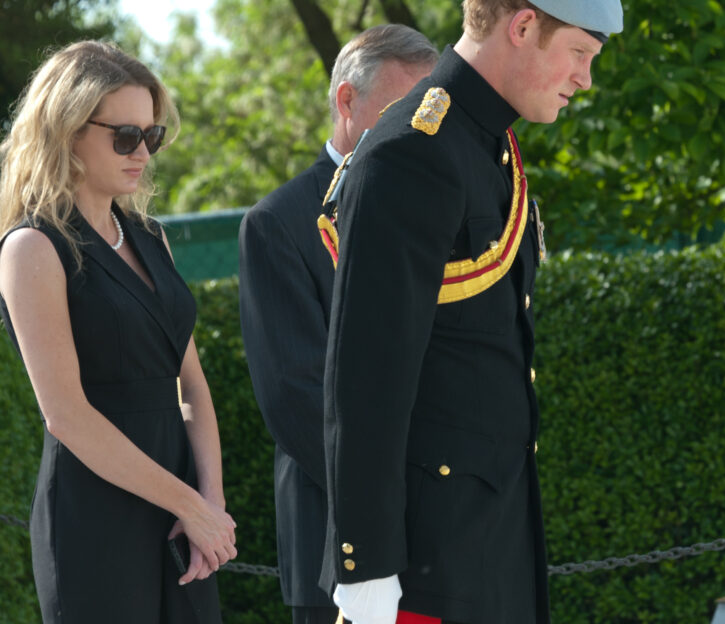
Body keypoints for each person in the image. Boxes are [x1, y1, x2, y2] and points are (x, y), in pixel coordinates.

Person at [319, 1, 622, 623]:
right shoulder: (411, 151)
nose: (586, 79)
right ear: (523, 27)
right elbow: (368, 379)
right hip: (424, 572)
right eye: (581, 54)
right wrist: (368, 569)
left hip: (485, 544)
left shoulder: (486, 144)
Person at [0, 41, 236, 623]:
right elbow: (67, 416)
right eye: (125, 136)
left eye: (151, 137)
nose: (142, 153)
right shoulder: (32, 247)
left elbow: (192, 387)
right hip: (94, 517)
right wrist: (192, 504)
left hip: (181, 511)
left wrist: (211, 501)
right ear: (68, 131)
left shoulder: (150, 239)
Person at [238, 24, 437, 624]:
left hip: (438, 541)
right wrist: (396, 498)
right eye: (407, 108)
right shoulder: (278, 223)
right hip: (340, 543)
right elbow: (296, 398)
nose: (422, 128)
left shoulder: (434, 214)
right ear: (348, 101)